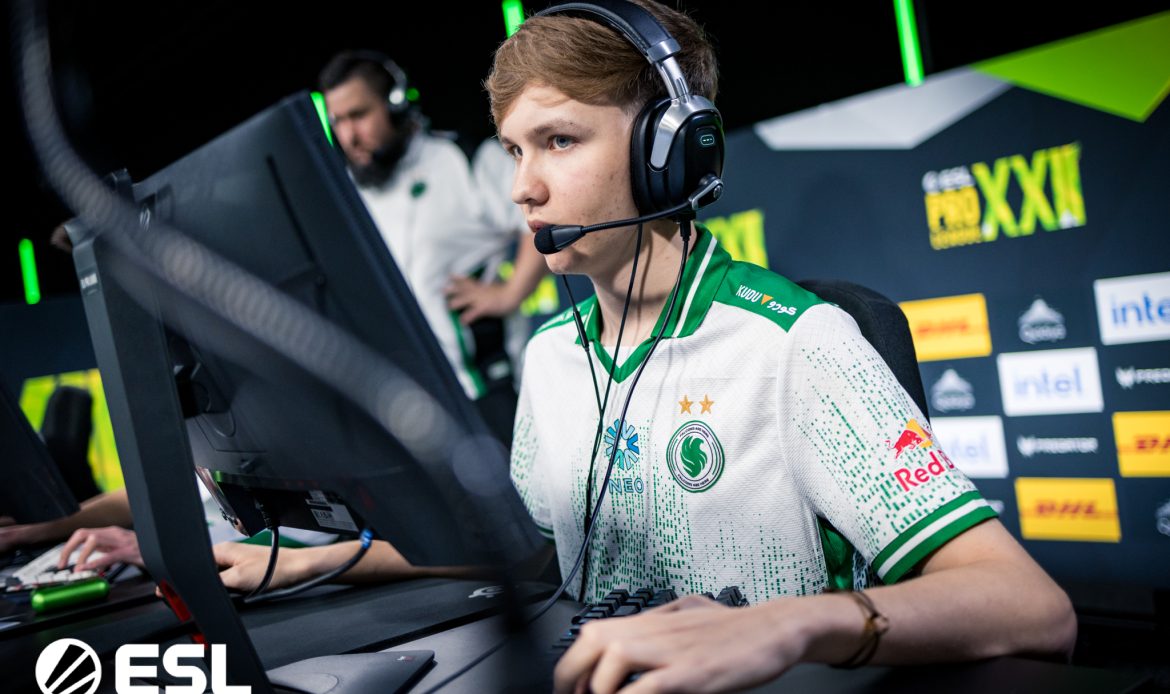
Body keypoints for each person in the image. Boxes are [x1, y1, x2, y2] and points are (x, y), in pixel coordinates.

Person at [215, 4, 1075, 692]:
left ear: (670, 151)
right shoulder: (552, 354)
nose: (523, 188)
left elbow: (1032, 606)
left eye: (559, 141)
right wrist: (312, 559)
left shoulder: (796, 343)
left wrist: (785, 625)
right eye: (514, 150)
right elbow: (526, 550)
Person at [318, 51, 548, 444]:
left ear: (395, 103)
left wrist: (509, 294)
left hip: (489, 389)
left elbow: (540, 220)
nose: (348, 136)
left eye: (358, 115)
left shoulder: (463, 159)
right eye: (337, 120)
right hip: (407, 405)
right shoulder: (349, 191)